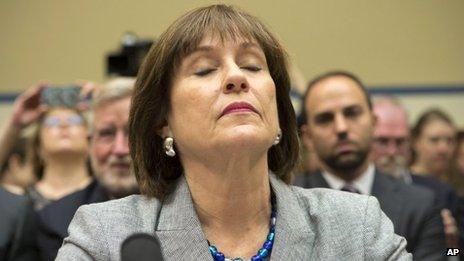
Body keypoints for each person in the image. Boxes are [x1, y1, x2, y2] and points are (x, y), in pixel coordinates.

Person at [56, 5, 410, 260]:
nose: (236, 77)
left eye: (252, 65)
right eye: (205, 69)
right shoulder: (105, 236)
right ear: (163, 121)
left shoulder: (357, 226)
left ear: (279, 116)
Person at [293, 71, 444, 260]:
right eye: (325, 118)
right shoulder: (287, 206)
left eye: (352, 113)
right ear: (307, 137)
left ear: (373, 123)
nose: (341, 128)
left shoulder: (421, 206)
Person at [371, 97, 460, 249]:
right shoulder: (352, 190)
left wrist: (452, 246)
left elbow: (455, 255)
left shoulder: (440, 194)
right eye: (383, 141)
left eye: (400, 142)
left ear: (410, 141)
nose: (392, 152)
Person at [410, 109, 457, 180]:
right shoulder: (402, 183)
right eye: (434, 140)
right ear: (415, 142)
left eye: (449, 141)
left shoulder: (458, 184)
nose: (443, 149)